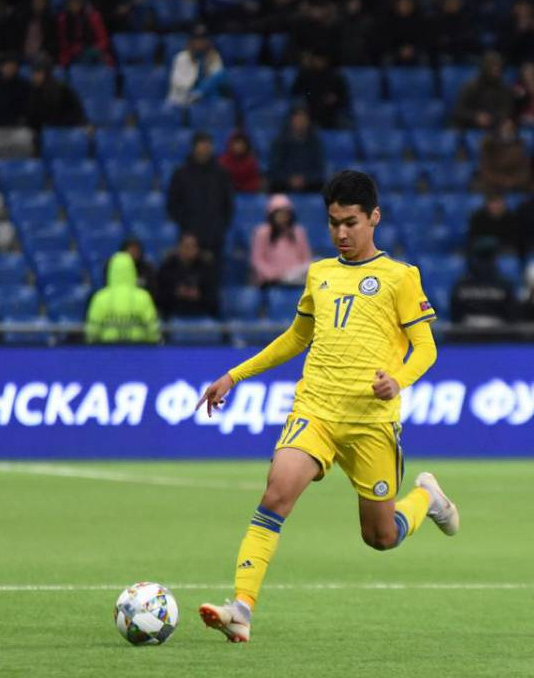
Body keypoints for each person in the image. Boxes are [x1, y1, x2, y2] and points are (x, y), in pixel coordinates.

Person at [195, 170, 458, 643]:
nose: (341, 233)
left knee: (380, 537)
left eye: (351, 222)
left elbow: (426, 348)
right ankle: (241, 608)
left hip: (370, 423)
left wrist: (397, 380)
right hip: (315, 409)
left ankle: (428, 500)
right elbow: (297, 337)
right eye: (334, 222)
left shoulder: (400, 277)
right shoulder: (320, 273)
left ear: (373, 218)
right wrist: (234, 374)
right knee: (276, 494)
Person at [167, 132, 235, 258]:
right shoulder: (181, 174)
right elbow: (173, 204)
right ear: (194, 147)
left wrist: (220, 227)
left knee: (213, 274)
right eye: (202, 145)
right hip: (188, 237)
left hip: (214, 238)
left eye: (207, 145)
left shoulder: (221, 174)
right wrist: (186, 226)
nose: (205, 149)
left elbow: (228, 204)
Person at [84, 251, 159, 343]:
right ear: (132, 270)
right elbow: (153, 330)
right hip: (138, 351)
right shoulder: (143, 297)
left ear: (110, 271)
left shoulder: (100, 298)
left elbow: (92, 332)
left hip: (106, 352)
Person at [451, 236, 517, 330]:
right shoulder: (505, 284)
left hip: (488, 336)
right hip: (476, 337)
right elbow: (512, 316)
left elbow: (455, 316)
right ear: (495, 258)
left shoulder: (461, 283)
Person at [251, 194, 313, 286]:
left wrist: (298, 272)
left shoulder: (298, 231)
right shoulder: (262, 232)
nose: (283, 216)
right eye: (279, 213)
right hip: (271, 281)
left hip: (296, 279)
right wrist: (272, 274)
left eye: (286, 213)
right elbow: (257, 260)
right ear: (272, 214)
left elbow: (306, 258)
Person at [156, 231, 219, 319]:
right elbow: (159, 297)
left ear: (198, 249)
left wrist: (199, 295)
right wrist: (176, 293)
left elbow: (213, 299)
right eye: (186, 246)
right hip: (173, 314)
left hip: (201, 315)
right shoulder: (167, 268)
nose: (190, 250)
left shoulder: (206, 269)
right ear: (179, 247)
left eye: (193, 246)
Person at [268, 107, 326, 193]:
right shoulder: (280, 142)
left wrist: (305, 179)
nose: (301, 122)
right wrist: (289, 179)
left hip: (309, 184)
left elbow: (319, 168)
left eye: (303, 118)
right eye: (298, 118)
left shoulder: (315, 142)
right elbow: (275, 167)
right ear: (291, 120)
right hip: (284, 184)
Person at [452, 51, 515, 129]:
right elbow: (459, 110)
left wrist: (491, 118)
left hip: (495, 128)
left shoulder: (503, 89)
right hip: (470, 126)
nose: (497, 71)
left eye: (499, 67)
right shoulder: (471, 86)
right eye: (494, 67)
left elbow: (506, 110)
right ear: (486, 68)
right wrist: (476, 117)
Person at [167, 24, 225, 106]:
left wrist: (203, 88)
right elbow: (178, 83)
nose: (200, 43)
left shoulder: (214, 57)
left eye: (203, 39)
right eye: (197, 39)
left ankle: (198, 93)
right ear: (191, 41)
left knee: (221, 76)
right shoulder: (181, 58)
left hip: (205, 98)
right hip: (181, 99)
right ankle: (197, 94)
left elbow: (218, 81)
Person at [290, 50, 350, 129]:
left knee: (345, 124)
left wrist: (335, 100)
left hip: (332, 113)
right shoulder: (306, 74)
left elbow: (344, 99)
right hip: (310, 112)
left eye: (321, 59)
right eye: (316, 59)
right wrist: (303, 69)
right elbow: (295, 91)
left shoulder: (335, 77)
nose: (319, 62)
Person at [26, 56, 85, 131]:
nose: (35, 76)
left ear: (47, 74)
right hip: (41, 130)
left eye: (38, 72)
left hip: (63, 128)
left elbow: (77, 111)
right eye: (33, 73)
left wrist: (61, 123)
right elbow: (31, 116)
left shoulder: (62, 89)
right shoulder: (31, 90)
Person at [477, 117, 530, 193]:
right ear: (499, 129)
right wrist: (503, 181)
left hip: (514, 185)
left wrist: (512, 181)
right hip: (492, 185)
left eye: (511, 128)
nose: (508, 131)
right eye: (505, 127)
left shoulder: (520, 148)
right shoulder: (489, 147)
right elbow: (484, 169)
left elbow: (524, 171)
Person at [56, 0, 111, 67]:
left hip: (95, 55)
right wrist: (75, 50)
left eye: (77, 2)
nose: (74, 5)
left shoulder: (93, 17)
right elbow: (63, 43)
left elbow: (104, 40)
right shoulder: (62, 20)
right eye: (71, 3)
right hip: (73, 58)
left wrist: (93, 50)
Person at [0, 53, 30, 126]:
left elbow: (24, 107)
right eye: (8, 66)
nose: (10, 69)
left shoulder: (22, 85)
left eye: (13, 66)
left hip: (14, 124)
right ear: (2, 66)